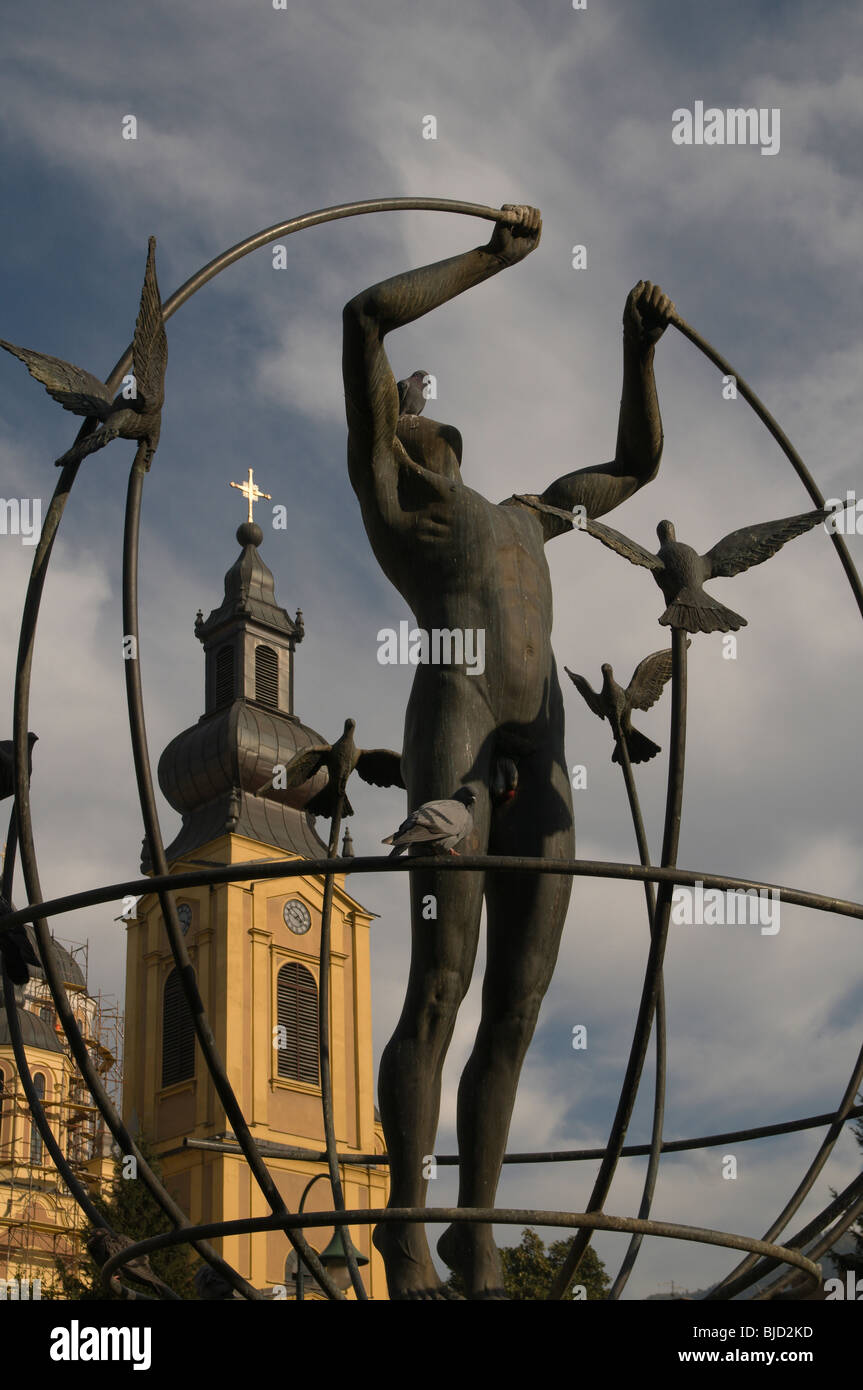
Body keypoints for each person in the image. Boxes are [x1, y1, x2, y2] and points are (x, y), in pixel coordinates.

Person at [342, 206, 673, 1298]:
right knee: (440, 987)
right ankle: (405, 1222)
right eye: (399, 409)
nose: (419, 412)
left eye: (418, 411)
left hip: (545, 756)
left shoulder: (529, 514)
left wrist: (637, 349)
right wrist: (493, 257)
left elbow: (636, 460)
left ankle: (470, 1237)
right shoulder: (399, 509)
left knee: (519, 1008)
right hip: (457, 733)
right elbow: (363, 316)